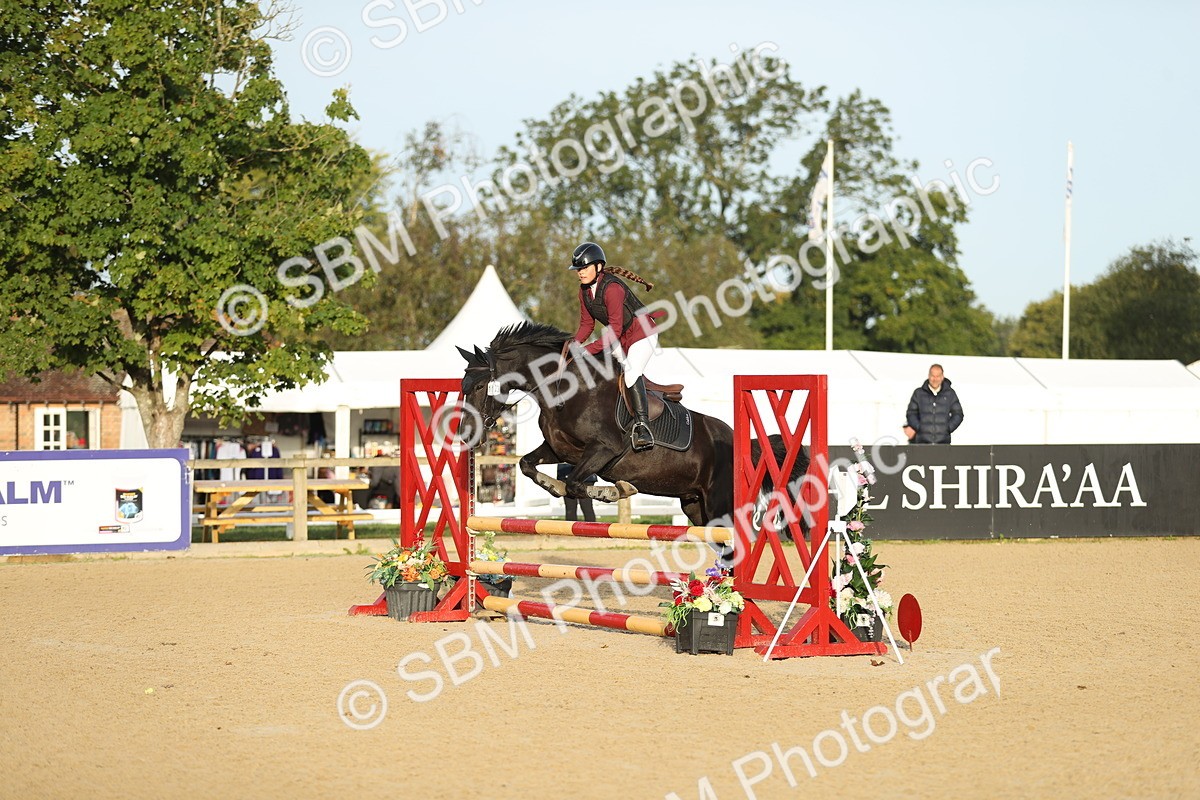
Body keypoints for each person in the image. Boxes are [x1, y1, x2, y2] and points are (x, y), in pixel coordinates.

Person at [566, 241, 663, 451]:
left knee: (629, 373)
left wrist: (587, 350)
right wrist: (572, 345)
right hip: (621, 336)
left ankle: (643, 426)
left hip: (642, 332)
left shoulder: (612, 289)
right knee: (606, 371)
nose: (580, 273)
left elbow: (615, 330)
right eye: (578, 269)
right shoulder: (584, 291)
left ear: (598, 267)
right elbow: (586, 324)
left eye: (583, 268)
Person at [903, 363, 964, 444]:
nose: (935, 379)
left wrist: (947, 428)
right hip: (922, 442)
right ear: (928, 376)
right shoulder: (919, 393)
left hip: (943, 442)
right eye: (932, 376)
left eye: (937, 376)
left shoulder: (950, 394)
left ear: (942, 377)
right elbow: (911, 413)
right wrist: (919, 428)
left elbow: (958, 414)